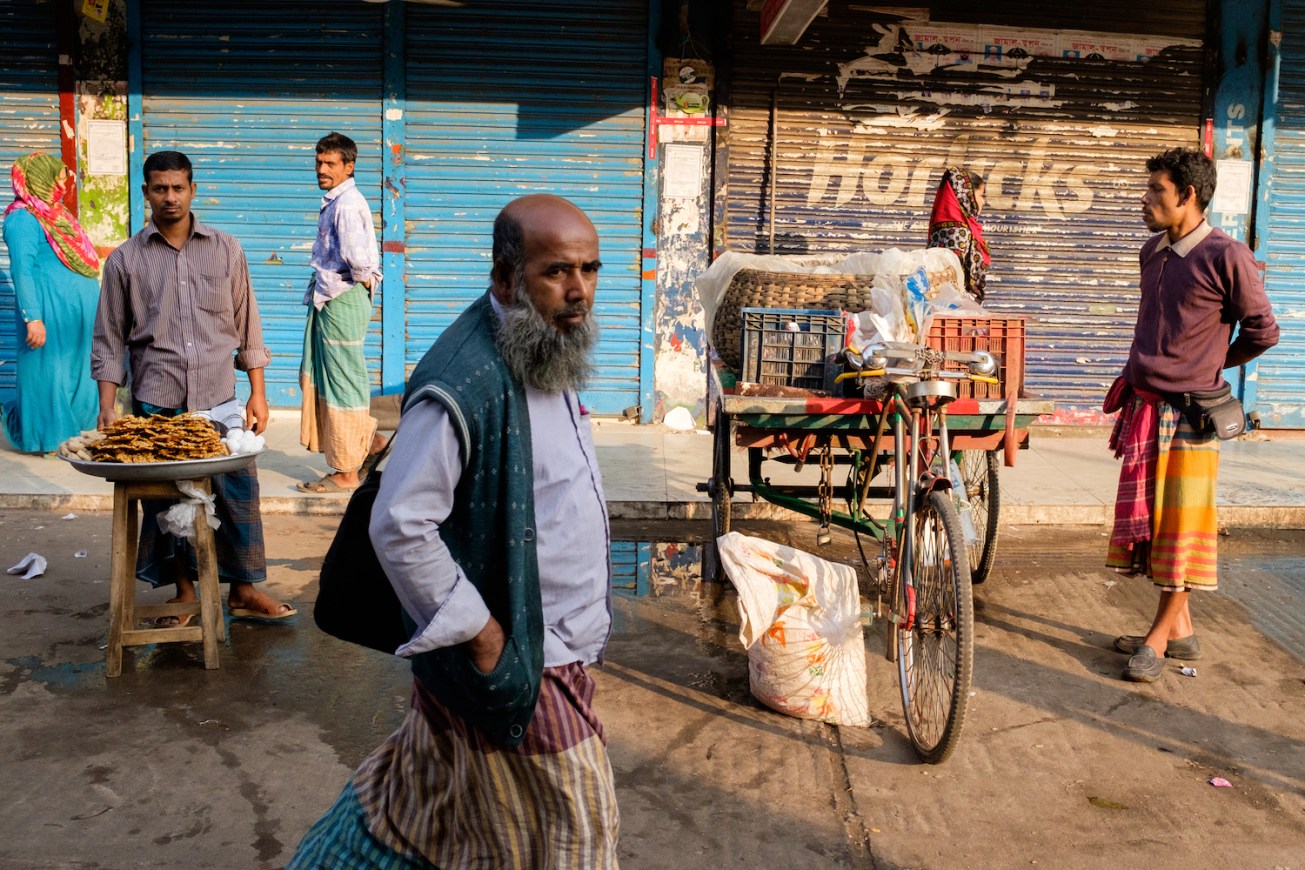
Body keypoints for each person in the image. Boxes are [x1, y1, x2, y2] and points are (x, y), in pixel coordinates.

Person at [289, 194, 619, 867]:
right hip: (525, 662)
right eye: (557, 272)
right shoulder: (464, 381)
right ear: (504, 278)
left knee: (420, 813)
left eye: (589, 269)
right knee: (577, 836)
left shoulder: (539, 342)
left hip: (542, 650)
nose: (578, 291)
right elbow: (400, 523)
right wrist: (486, 637)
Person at [91, 150, 296, 624]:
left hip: (219, 398)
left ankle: (243, 590)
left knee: (238, 492)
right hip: (155, 402)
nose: (169, 197)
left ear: (192, 190)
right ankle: (184, 592)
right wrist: (107, 406)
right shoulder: (125, 260)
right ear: (145, 193)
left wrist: (258, 392)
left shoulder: (226, 249)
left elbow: (247, 324)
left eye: (177, 187)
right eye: (159, 188)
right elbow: (109, 337)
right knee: (168, 504)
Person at [1105, 148, 1279, 683]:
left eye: (1156, 190)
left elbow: (1263, 330)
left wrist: (1212, 362)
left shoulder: (1228, 255)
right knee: (1155, 529)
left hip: (1190, 416)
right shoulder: (1150, 251)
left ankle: (1157, 640)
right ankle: (1181, 632)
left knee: (1180, 531)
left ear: (1188, 196)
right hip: (1144, 408)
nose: (1144, 198)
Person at [296, 131, 384, 494]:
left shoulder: (346, 204)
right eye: (319, 162)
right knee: (330, 376)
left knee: (343, 382)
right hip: (331, 296)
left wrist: (361, 284)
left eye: (330, 163)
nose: (322, 169)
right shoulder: (336, 200)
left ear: (349, 167)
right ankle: (373, 444)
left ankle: (347, 472)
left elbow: (360, 261)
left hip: (341, 297)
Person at [2, 153, 100, 453]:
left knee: (79, 372)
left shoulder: (55, 215)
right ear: (40, 179)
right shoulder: (22, 218)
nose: (64, 183)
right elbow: (22, 269)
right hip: (48, 312)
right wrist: (33, 317)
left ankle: (78, 435)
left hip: (75, 315)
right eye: (58, 177)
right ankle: (48, 439)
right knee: (48, 373)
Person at [928, 166, 990, 301]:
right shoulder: (961, 232)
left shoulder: (940, 227)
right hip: (958, 309)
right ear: (968, 196)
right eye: (981, 195)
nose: (983, 202)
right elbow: (955, 280)